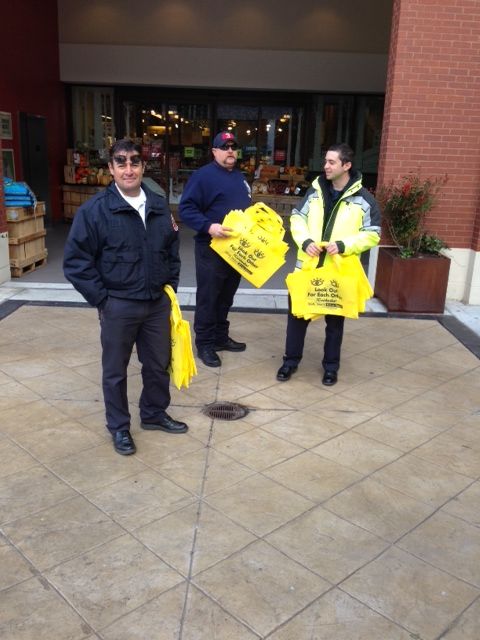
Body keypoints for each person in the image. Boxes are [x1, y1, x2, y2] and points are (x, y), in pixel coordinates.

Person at [63, 138, 188, 456]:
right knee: (115, 370)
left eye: (135, 162)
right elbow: (76, 263)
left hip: (156, 304)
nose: (128, 168)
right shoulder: (95, 211)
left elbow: (172, 250)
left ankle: (154, 414)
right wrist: (104, 301)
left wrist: (168, 286)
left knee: (158, 365)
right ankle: (119, 427)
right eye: (121, 162)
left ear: (144, 166)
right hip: (118, 304)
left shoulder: (159, 206)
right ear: (111, 168)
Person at [276, 143, 381, 385]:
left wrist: (343, 245)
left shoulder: (365, 200)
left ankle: (331, 367)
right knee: (297, 316)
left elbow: (373, 234)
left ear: (347, 165)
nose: (326, 166)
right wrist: (305, 242)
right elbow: (297, 219)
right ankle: (290, 362)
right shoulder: (313, 192)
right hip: (307, 268)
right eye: (326, 161)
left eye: (332, 162)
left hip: (338, 270)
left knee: (335, 322)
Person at [179, 131, 252, 367]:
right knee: (209, 297)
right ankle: (205, 344)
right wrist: (208, 226)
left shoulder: (239, 176)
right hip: (211, 248)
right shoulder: (203, 176)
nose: (230, 150)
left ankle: (220, 337)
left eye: (233, 146)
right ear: (214, 151)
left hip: (236, 249)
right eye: (225, 146)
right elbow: (186, 209)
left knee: (226, 296)